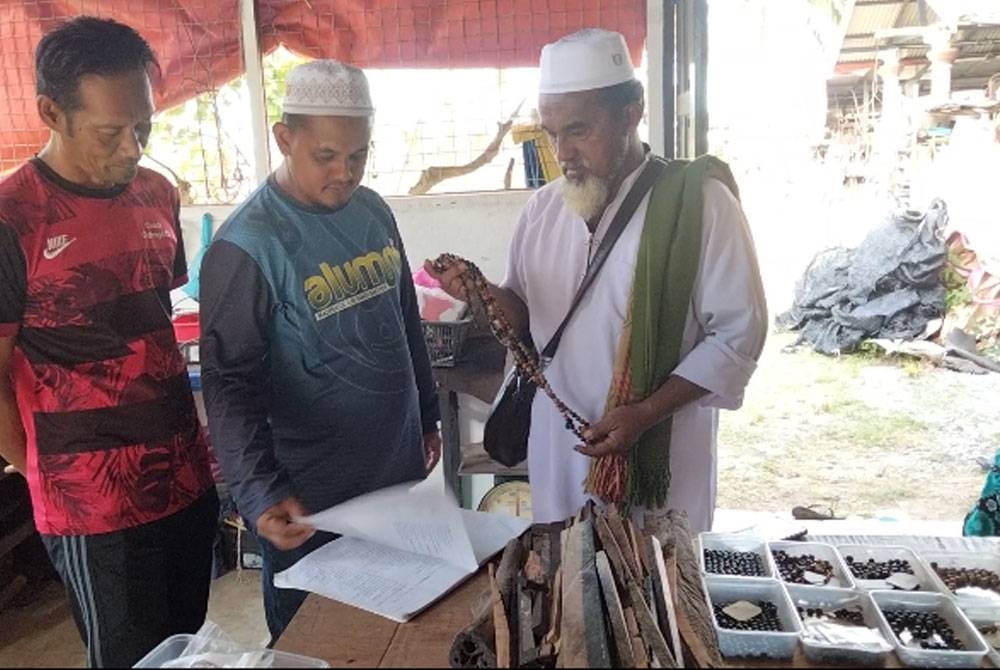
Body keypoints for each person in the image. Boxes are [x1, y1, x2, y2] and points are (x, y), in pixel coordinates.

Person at [426, 28, 768, 534]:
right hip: (561, 447)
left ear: (631, 112)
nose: (562, 152)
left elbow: (738, 336)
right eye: (551, 133)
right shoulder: (543, 210)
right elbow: (525, 318)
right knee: (567, 565)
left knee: (657, 572)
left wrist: (645, 413)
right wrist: (481, 295)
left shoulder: (699, 205)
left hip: (660, 452)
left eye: (579, 130)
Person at [0, 16, 218, 668]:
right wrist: (44, 475)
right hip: (94, 508)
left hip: (185, 479)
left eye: (143, 128)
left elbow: (154, 321)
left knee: (186, 649)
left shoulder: (156, 194)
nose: (132, 148)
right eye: (109, 132)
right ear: (51, 113)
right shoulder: (13, 218)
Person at [199, 59, 442, 642]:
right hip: (310, 501)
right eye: (327, 156)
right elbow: (229, 384)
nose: (345, 173)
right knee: (319, 639)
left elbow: (403, 318)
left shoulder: (373, 210)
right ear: (286, 138)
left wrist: (428, 415)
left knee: (397, 629)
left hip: (394, 477)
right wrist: (258, 490)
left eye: (358, 155)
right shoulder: (248, 246)